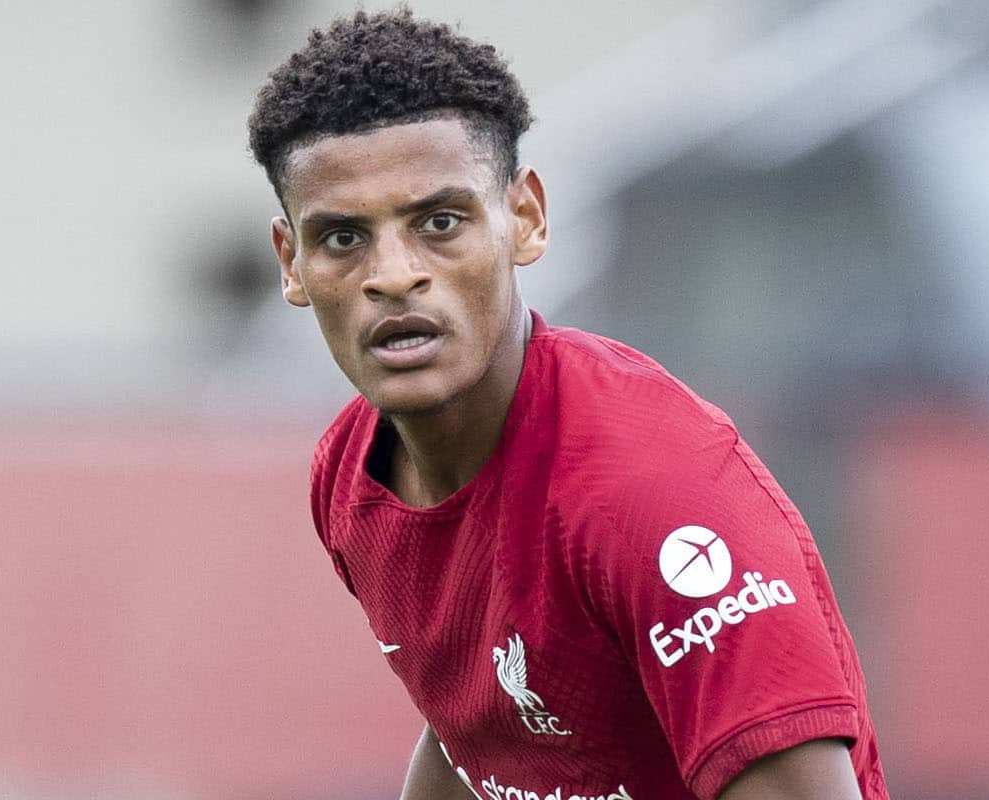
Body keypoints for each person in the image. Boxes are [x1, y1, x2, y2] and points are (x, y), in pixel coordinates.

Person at [248, 9, 887, 799]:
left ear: (524, 218)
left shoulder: (651, 493)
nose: (394, 274)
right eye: (344, 239)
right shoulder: (350, 477)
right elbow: (479, 728)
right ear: (292, 264)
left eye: (440, 222)